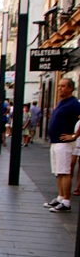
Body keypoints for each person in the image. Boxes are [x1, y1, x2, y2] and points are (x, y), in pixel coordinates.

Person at [45, 78, 80, 213]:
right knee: (59, 171)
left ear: (70, 88)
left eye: (63, 86)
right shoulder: (62, 102)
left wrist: (74, 135)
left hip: (64, 143)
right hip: (56, 142)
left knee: (65, 171)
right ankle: (60, 197)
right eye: (59, 86)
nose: (59, 88)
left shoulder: (74, 103)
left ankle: (66, 201)